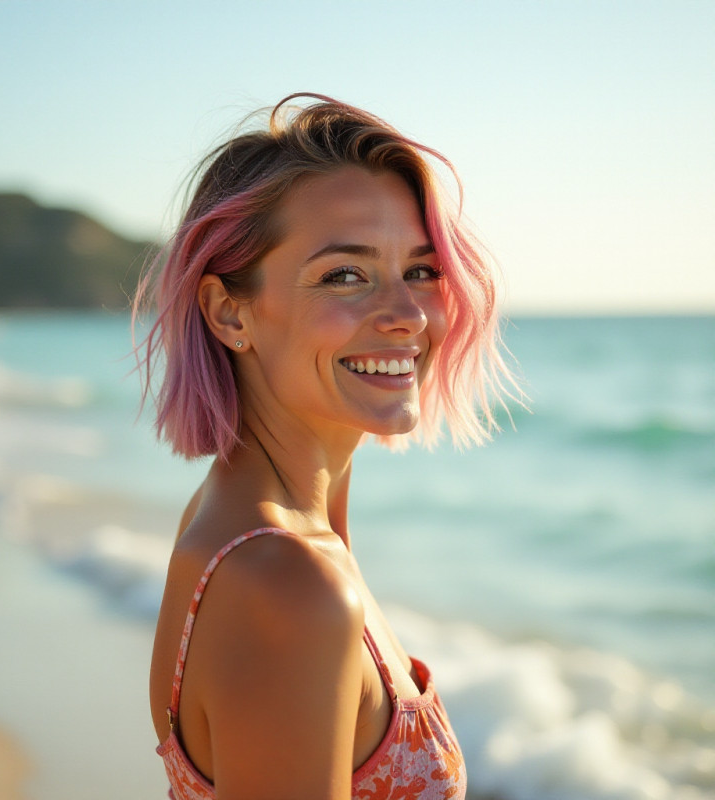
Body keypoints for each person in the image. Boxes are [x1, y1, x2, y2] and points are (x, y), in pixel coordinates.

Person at [134, 93, 514, 800]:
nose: (406, 315)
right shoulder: (287, 583)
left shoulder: (244, 522)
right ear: (228, 311)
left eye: (422, 271)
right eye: (345, 275)